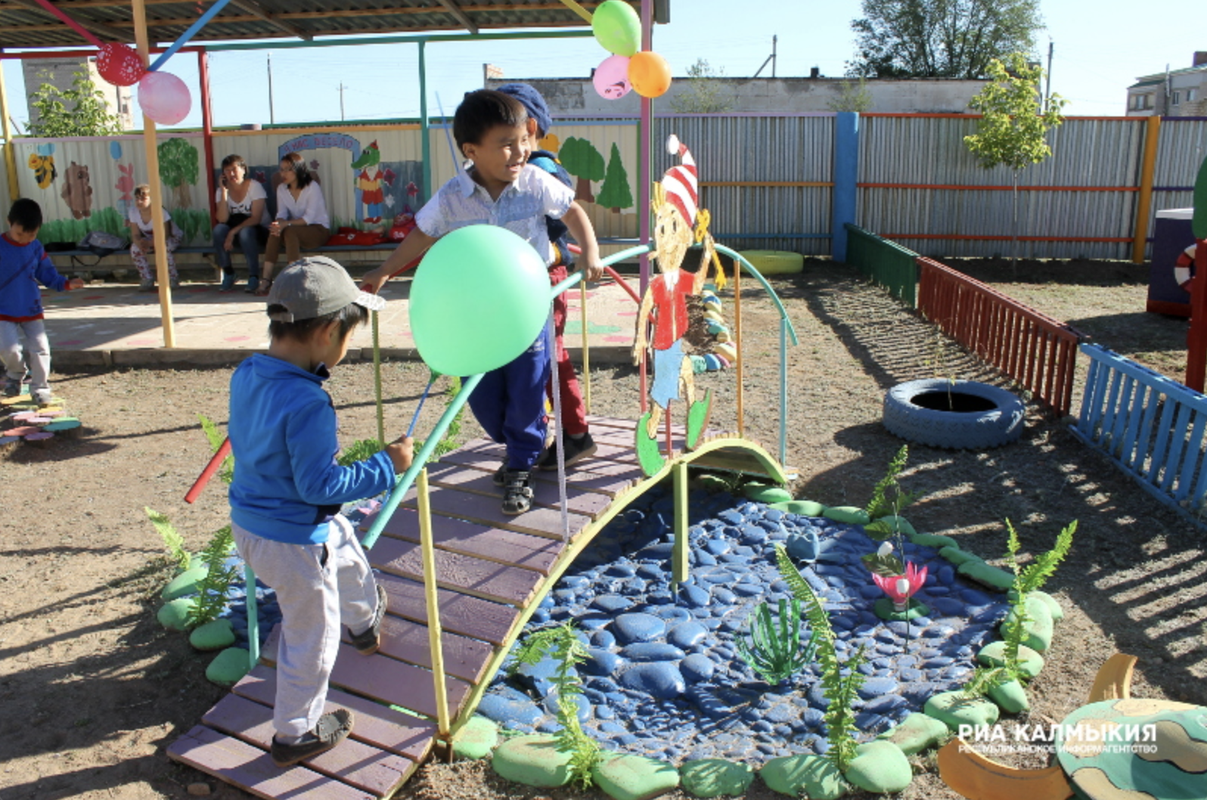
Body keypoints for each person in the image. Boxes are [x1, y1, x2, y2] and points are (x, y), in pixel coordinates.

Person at [361, 89, 603, 516]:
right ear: (471, 150)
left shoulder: (534, 181)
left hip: (527, 307)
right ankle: (514, 447)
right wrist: (385, 270)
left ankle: (521, 466)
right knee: (484, 398)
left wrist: (592, 251)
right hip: (475, 313)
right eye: (506, 143)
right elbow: (422, 232)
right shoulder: (454, 195)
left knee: (529, 387)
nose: (520, 150)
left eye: (523, 139)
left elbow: (573, 212)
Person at [227, 255, 413, 767]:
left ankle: (364, 618)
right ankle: (296, 731)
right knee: (312, 633)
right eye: (349, 336)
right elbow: (320, 487)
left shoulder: (247, 373)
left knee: (342, 540)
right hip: (292, 541)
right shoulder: (310, 402)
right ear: (330, 332)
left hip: (251, 524)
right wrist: (386, 465)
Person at [496, 82, 601, 472]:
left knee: (548, 357)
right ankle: (553, 434)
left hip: (542, 277)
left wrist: (589, 250)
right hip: (523, 278)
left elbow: (568, 214)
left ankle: (574, 434)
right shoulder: (532, 166)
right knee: (537, 358)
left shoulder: (537, 170)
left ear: (531, 129)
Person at [1, 198, 85, 405]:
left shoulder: (36, 247)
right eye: (20, 234)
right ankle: (15, 372)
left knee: (40, 347)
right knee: (8, 349)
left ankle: (40, 387)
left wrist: (65, 284)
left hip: (30, 307)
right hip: (3, 309)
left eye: (32, 235)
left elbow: (47, 274)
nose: (25, 240)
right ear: (9, 222)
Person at [259, 152, 331, 296]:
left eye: (288, 169)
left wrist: (286, 224)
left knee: (289, 230)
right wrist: (278, 223)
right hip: (295, 230)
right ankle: (266, 279)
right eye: (281, 169)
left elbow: (308, 218)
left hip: (318, 230)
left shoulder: (312, 187)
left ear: (298, 170)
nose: (283, 173)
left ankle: (293, 280)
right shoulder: (281, 189)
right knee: (275, 230)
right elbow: (281, 214)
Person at [212, 154, 270, 294]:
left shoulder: (254, 186)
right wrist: (224, 193)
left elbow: (256, 218)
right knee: (218, 230)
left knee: (246, 232)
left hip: (259, 231)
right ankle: (229, 273)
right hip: (236, 232)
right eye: (227, 170)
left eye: (234, 169)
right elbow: (222, 219)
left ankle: (254, 276)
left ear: (243, 169)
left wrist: (232, 232)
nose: (231, 173)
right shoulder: (221, 191)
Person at [127, 183, 183, 292]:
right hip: (150, 239)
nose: (139, 201)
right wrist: (140, 244)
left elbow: (164, 235)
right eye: (137, 198)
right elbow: (135, 233)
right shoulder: (133, 212)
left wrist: (149, 244)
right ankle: (147, 278)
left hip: (171, 238)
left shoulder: (160, 212)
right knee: (134, 249)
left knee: (164, 247)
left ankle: (172, 277)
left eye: (143, 198)